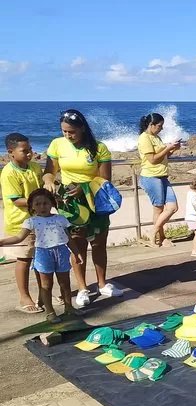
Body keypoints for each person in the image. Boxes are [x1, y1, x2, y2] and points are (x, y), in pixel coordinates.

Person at [43, 109, 121, 307]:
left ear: (83, 129)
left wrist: (84, 188)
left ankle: (102, 284)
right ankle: (83, 287)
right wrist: (49, 180)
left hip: (95, 201)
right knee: (77, 246)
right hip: (70, 204)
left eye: (72, 132)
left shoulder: (98, 148)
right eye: (64, 131)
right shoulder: (57, 144)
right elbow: (49, 172)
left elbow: (105, 180)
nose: (68, 136)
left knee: (99, 244)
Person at [0, 189, 83, 323]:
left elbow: (69, 238)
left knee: (65, 283)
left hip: (61, 252)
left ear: (52, 204)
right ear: (32, 206)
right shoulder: (31, 221)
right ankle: (50, 312)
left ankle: (69, 307)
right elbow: (19, 237)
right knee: (46, 285)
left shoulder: (61, 219)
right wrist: (2, 242)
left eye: (45, 203)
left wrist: (76, 253)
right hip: (43, 254)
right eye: (37, 204)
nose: (42, 206)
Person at [2, 133, 43, 314]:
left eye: (30, 150)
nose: (29, 154)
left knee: (42, 257)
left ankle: (45, 293)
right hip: (21, 223)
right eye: (24, 151)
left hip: (40, 219)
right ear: (11, 152)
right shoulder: (9, 172)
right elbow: (15, 199)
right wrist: (38, 202)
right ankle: (24, 296)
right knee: (24, 259)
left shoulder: (34, 167)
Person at [138, 113, 180, 248]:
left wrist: (171, 150)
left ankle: (153, 232)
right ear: (151, 125)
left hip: (162, 176)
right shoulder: (144, 139)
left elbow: (162, 156)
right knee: (159, 209)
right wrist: (167, 148)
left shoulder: (156, 137)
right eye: (159, 126)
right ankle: (160, 238)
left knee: (172, 207)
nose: (161, 129)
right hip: (151, 177)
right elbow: (152, 159)